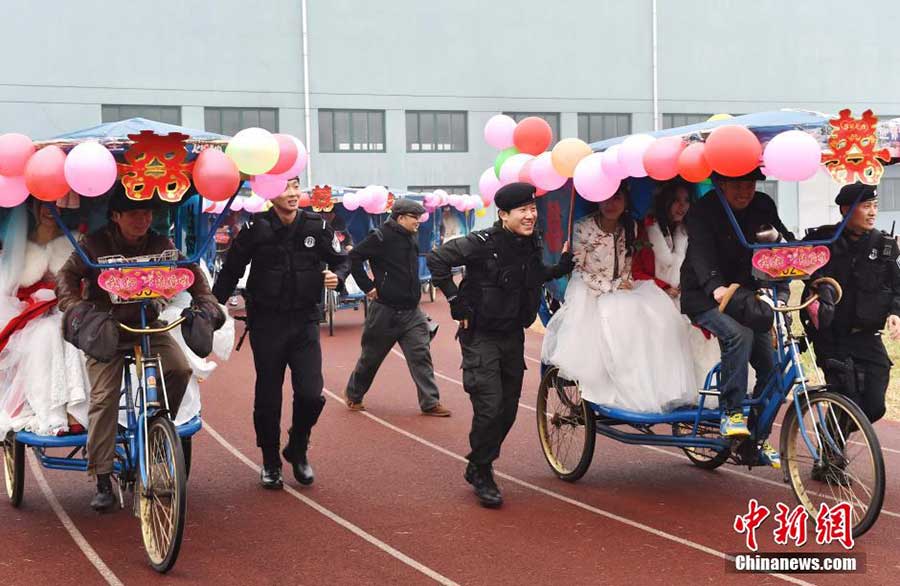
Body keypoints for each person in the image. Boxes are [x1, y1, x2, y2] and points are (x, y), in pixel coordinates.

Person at [56, 185, 220, 511]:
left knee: (179, 368)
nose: (143, 219)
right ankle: (102, 477)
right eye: (134, 214)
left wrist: (205, 301)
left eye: (147, 213)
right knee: (104, 398)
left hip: (147, 324)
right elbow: (66, 276)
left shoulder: (161, 244)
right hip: (105, 330)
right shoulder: (94, 244)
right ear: (116, 216)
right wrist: (76, 308)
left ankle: (155, 428)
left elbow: (191, 271)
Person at [427, 182, 574, 508]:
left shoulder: (531, 243)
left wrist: (559, 269)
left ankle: (479, 462)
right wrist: (455, 300)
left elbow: (531, 276)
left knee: (507, 411)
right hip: (481, 336)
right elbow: (437, 259)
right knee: (490, 406)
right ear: (503, 214)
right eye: (522, 210)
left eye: (532, 209)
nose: (530, 215)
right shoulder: (482, 242)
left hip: (512, 336)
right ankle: (482, 470)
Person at [212, 177, 349, 490]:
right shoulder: (255, 228)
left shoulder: (317, 226)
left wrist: (337, 277)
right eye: (286, 187)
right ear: (270, 192)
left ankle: (297, 446)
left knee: (311, 394)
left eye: (296, 186)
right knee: (268, 396)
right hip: (267, 323)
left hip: (305, 321)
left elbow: (342, 260)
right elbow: (231, 269)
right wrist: (212, 307)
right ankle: (270, 460)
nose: (293, 193)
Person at [542, 184, 697, 414]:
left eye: (617, 198)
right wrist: (610, 286)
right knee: (617, 319)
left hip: (622, 287)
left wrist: (623, 282)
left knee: (659, 317)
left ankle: (650, 389)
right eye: (605, 198)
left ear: (625, 201)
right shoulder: (582, 227)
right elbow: (579, 269)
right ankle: (616, 390)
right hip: (590, 290)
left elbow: (628, 263)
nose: (610, 204)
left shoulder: (630, 226)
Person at [680, 170, 793, 466]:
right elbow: (701, 254)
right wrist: (714, 287)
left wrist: (799, 254)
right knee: (737, 335)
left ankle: (755, 437)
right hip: (706, 294)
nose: (745, 191)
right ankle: (731, 412)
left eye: (750, 184)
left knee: (773, 366)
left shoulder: (763, 204)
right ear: (721, 184)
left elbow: (782, 241)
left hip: (745, 298)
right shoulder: (704, 209)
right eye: (737, 185)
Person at [803, 183, 900, 426]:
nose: (873, 212)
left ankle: (830, 435)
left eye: (875, 206)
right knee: (847, 398)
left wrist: (895, 312)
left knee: (874, 406)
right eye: (866, 206)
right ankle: (830, 446)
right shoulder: (822, 241)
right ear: (846, 210)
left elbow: (897, 285)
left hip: (867, 336)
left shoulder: (883, 244)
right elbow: (798, 269)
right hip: (832, 337)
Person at [343, 198, 449, 416]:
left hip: (412, 311)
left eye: (419, 217)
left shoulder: (411, 236)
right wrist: (367, 287)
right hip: (385, 312)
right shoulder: (380, 236)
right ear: (400, 218)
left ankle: (430, 402)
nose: (418, 221)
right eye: (414, 217)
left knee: (421, 355)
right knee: (371, 358)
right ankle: (354, 394)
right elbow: (354, 258)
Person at [0, 200, 90, 437]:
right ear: (33, 208)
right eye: (43, 205)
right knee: (48, 333)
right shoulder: (21, 245)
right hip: (32, 315)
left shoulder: (75, 240)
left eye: (55, 205)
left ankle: (77, 411)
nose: (49, 211)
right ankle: (53, 413)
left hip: (69, 308)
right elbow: (10, 291)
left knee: (74, 327)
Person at [632, 180, 722, 390]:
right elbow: (636, 270)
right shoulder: (646, 229)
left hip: (685, 294)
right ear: (665, 202)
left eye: (686, 201)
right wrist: (664, 287)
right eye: (675, 201)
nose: (682, 206)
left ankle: (707, 386)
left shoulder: (690, 231)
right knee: (667, 324)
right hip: (652, 292)